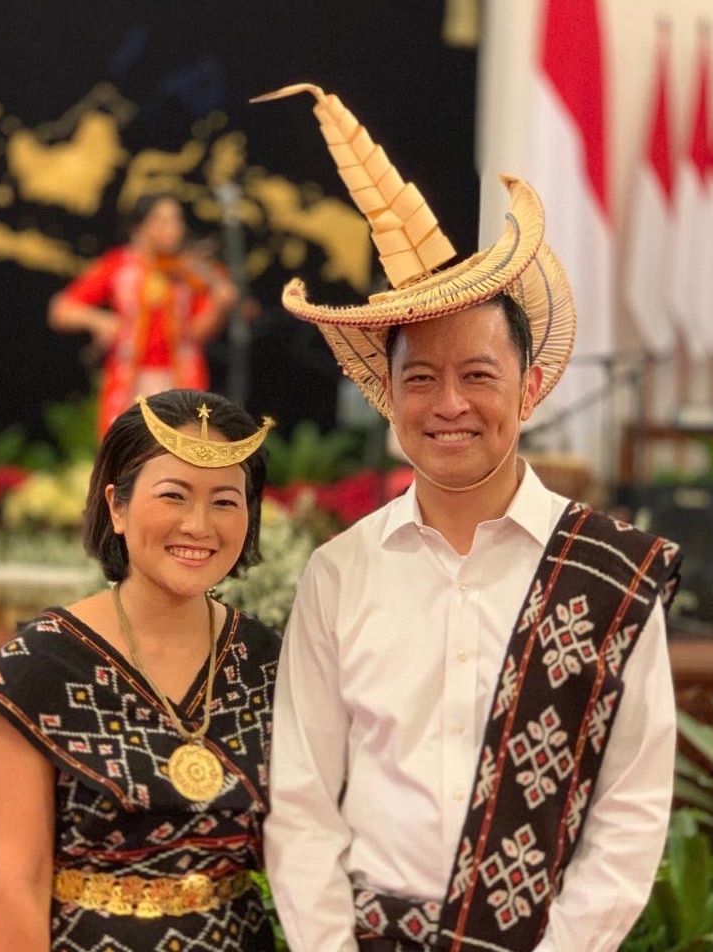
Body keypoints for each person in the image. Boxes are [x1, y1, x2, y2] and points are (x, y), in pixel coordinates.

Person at [254, 84, 683, 952]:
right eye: (421, 378)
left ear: (528, 388)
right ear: (389, 398)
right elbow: (300, 805)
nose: (450, 404)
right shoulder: (341, 571)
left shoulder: (610, 575)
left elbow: (632, 810)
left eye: (479, 375)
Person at [0, 388, 279, 951]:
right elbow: (20, 884)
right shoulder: (38, 669)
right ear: (117, 506)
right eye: (174, 496)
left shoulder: (269, 662)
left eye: (225, 502)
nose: (199, 525)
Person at [48, 194, 238, 438]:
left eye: (176, 221)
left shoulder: (189, 272)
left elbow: (198, 332)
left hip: (181, 379)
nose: (172, 230)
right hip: (128, 381)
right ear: (139, 227)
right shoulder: (118, 266)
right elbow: (61, 309)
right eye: (161, 221)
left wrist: (218, 306)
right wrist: (98, 320)